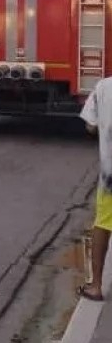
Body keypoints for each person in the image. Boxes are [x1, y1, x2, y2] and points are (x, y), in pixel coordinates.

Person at [79, 76, 112, 302]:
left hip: (110, 177)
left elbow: (90, 126)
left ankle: (96, 286)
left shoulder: (104, 87)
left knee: (103, 224)